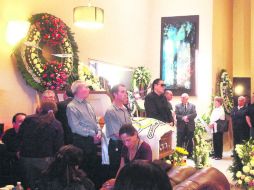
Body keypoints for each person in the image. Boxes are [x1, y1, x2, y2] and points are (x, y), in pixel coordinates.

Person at [18, 101, 64, 189]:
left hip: (26, 158)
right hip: (46, 159)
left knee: (29, 186)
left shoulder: (28, 119)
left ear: (40, 109)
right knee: (45, 185)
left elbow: (20, 136)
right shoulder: (56, 123)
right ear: (55, 110)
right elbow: (59, 144)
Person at [66, 80, 102, 182]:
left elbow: (95, 121)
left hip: (92, 140)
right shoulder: (72, 106)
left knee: (93, 168)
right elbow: (75, 127)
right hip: (82, 141)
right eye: (85, 87)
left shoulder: (88, 104)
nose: (88, 89)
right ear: (77, 90)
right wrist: (92, 134)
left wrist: (98, 132)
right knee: (84, 169)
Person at [104, 84, 132, 177]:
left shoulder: (124, 109)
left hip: (125, 144)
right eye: (122, 92)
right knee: (116, 173)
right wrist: (131, 140)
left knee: (126, 172)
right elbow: (116, 133)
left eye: (126, 92)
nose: (126, 94)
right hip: (117, 145)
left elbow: (129, 128)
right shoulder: (111, 111)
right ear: (115, 94)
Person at [2, 113, 26, 183]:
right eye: (20, 121)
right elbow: (3, 153)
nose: (23, 124)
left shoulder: (29, 134)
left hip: (26, 165)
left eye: (25, 122)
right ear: (14, 123)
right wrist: (15, 154)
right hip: (11, 166)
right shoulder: (8, 134)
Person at [175, 93, 197, 158]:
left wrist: (187, 117)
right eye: (181, 97)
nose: (181, 99)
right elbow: (177, 115)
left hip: (190, 127)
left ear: (187, 99)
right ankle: (179, 155)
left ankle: (189, 155)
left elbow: (194, 114)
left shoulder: (192, 106)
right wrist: (183, 118)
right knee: (179, 141)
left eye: (183, 98)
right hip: (181, 127)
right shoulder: (177, 106)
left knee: (190, 141)